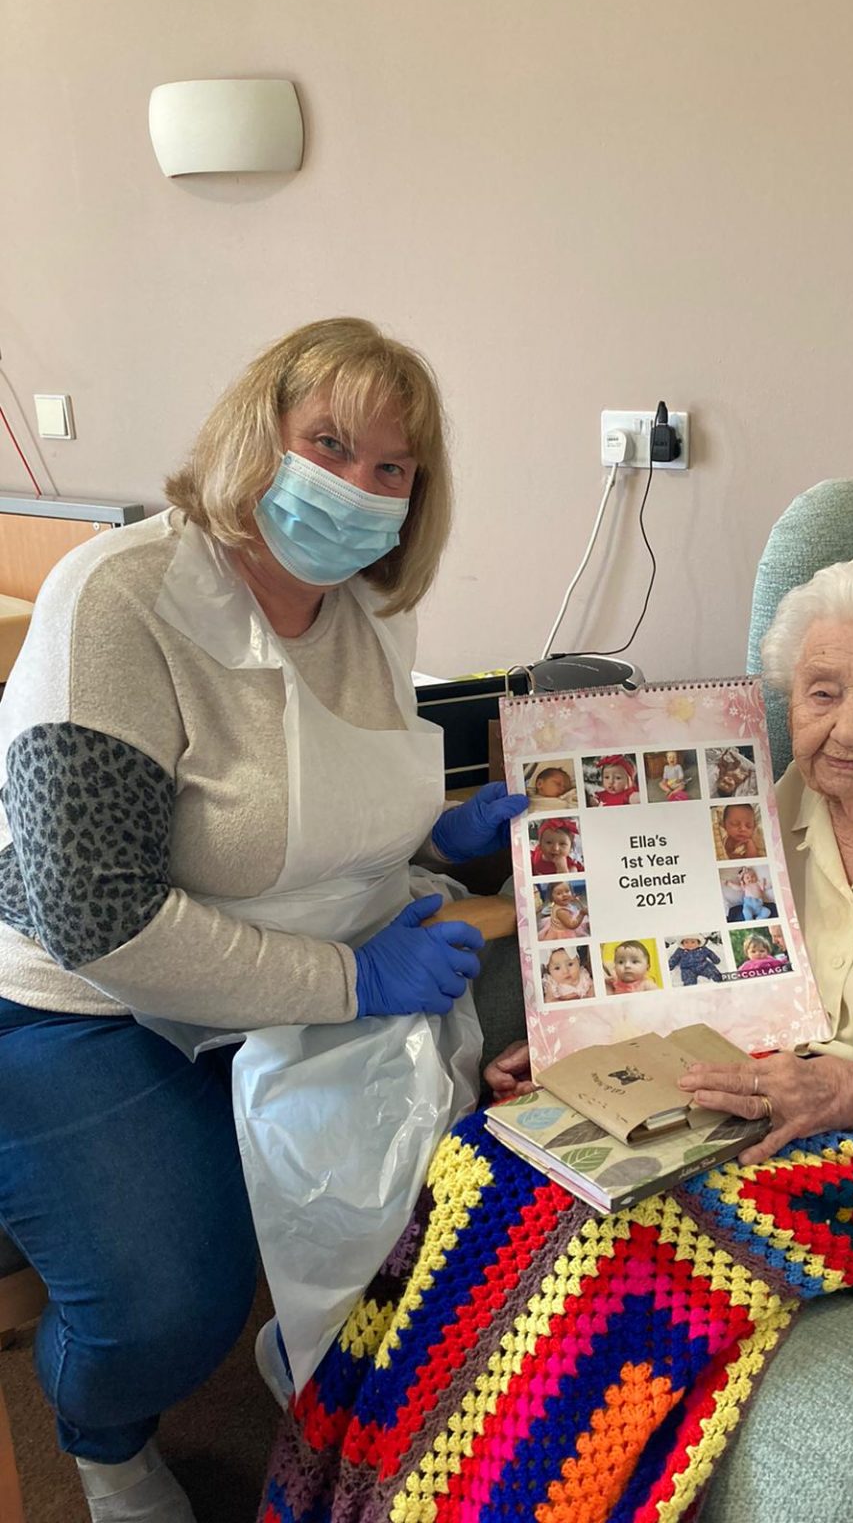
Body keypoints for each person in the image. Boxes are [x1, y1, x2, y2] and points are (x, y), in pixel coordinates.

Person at [258, 557, 853, 1523]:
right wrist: (586, 1044)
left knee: (627, 1242)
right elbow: (682, 981)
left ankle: (510, 1490)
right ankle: (368, 1478)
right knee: (481, 1159)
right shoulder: (744, 815)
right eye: (821, 693)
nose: (845, 728)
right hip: (736, 1113)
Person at [0, 318, 528, 1523]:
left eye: (391, 468)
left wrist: (439, 837)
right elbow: (97, 917)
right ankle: (100, 1439)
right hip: (76, 998)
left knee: (456, 1181)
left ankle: (329, 1374)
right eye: (328, 444)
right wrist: (352, 981)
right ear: (258, 434)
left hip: (289, 960)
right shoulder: (122, 598)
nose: (357, 487)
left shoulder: (369, 610)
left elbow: (306, 808)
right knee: (166, 1301)